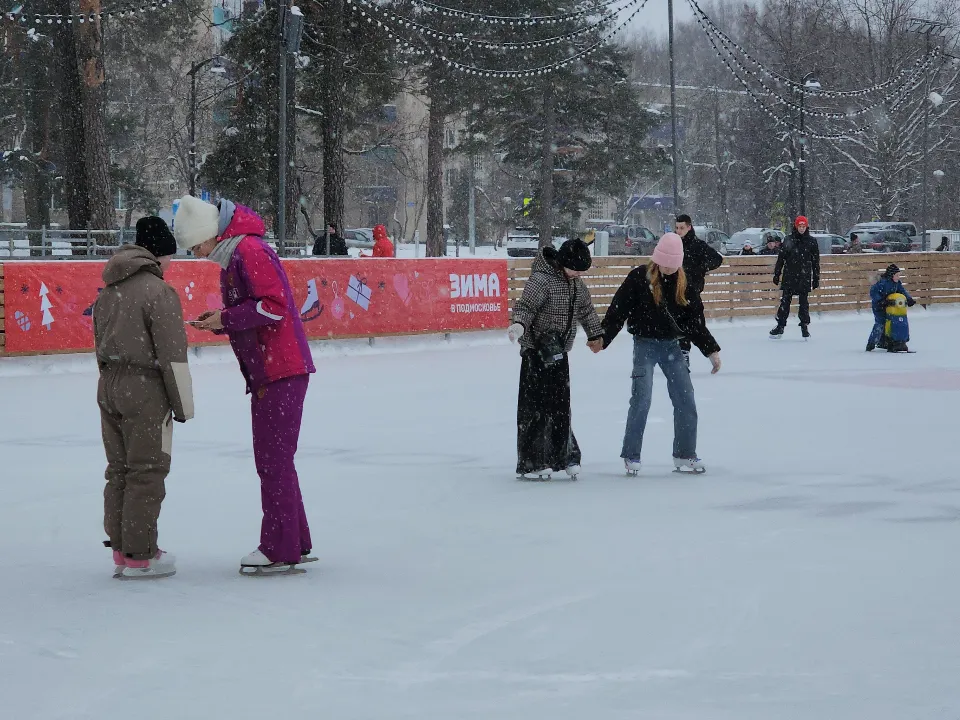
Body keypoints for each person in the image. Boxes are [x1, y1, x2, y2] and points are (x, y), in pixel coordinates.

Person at [174, 195, 316, 575]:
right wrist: (223, 320)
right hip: (272, 369)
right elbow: (255, 313)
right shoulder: (235, 256)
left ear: (210, 234)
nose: (197, 253)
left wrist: (227, 316)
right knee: (276, 460)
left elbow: (275, 307)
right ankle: (293, 542)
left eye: (197, 245)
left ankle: (279, 548)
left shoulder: (249, 251)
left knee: (272, 461)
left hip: (280, 369)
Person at [94, 216, 194, 580]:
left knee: (119, 469)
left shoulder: (109, 289)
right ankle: (140, 554)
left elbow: (99, 343)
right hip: (145, 387)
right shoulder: (158, 291)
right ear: (157, 254)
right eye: (169, 256)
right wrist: (183, 405)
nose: (171, 264)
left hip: (110, 384)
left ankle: (121, 547)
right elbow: (172, 354)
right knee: (147, 469)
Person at [599, 233, 721, 475]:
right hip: (644, 345)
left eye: (673, 264)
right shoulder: (638, 277)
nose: (668, 269)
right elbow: (618, 310)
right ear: (656, 259)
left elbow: (695, 323)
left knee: (685, 400)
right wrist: (602, 339)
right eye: (665, 263)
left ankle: (685, 454)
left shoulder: (684, 283)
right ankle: (631, 455)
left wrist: (711, 351)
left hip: (673, 347)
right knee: (641, 400)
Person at [508, 238, 603, 480]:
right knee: (535, 409)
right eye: (575, 270)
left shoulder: (576, 284)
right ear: (563, 263)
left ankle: (565, 456)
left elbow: (586, 310)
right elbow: (526, 306)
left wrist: (596, 335)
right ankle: (533, 460)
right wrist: (518, 326)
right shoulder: (542, 280)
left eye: (581, 271)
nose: (577, 275)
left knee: (560, 407)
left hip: (558, 353)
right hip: (535, 352)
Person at [673, 214, 723, 365]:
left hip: (692, 291)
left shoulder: (698, 245)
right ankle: (682, 352)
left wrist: (701, 268)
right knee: (677, 323)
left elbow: (717, 259)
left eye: (681, 228)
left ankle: (707, 354)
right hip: (674, 291)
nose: (678, 231)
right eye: (676, 228)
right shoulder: (673, 243)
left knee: (696, 324)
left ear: (689, 227)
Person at [771, 216, 820, 339]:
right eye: (800, 226)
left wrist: (816, 278)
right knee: (785, 302)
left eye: (804, 227)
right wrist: (777, 274)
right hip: (790, 276)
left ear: (807, 227)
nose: (802, 229)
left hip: (804, 277)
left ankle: (804, 326)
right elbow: (781, 259)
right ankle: (780, 326)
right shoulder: (788, 240)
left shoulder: (811, 241)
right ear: (796, 226)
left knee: (804, 303)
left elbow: (815, 261)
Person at [867, 263, 916, 352]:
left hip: (890, 306)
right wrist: (880, 301)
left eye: (899, 275)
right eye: (897, 275)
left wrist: (909, 299)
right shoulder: (883, 283)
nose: (898, 277)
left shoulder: (897, 283)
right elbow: (873, 292)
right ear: (891, 275)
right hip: (879, 307)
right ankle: (871, 343)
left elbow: (902, 291)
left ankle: (884, 342)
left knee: (890, 323)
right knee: (880, 323)